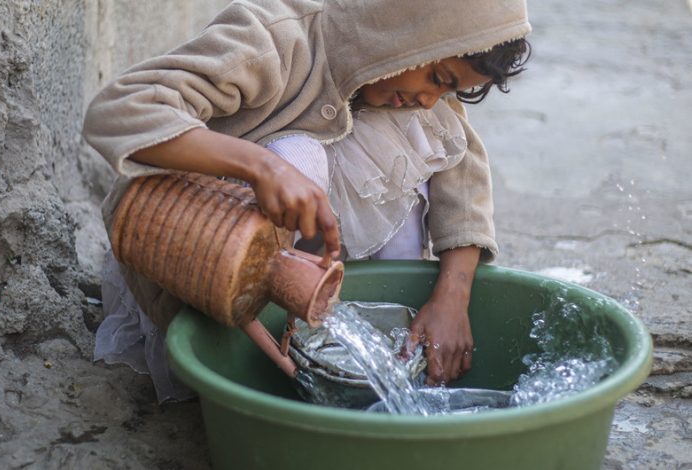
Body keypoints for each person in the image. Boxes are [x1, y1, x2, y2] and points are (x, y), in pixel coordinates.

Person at [83, 0, 532, 400]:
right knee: (299, 157)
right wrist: (261, 168)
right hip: (201, 257)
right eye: (437, 77)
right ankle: (258, 352)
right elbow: (120, 110)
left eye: (447, 90)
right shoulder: (275, 39)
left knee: (424, 153)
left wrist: (452, 299)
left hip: (318, 287)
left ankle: (350, 358)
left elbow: (464, 179)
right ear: (406, 27)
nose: (430, 97)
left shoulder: (416, 96)